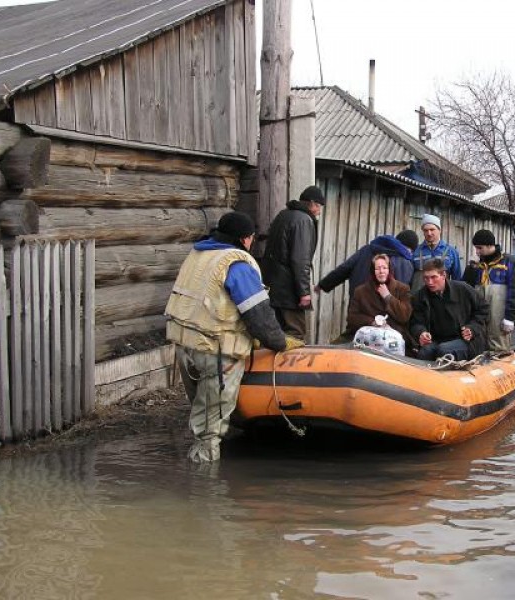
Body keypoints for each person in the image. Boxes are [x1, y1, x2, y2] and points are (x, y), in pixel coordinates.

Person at [165, 211, 302, 463]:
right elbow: (258, 314)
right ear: (245, 239)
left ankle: (204, 461)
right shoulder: (236, 264)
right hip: (216, 350)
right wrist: (280, 342)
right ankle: (205, 488)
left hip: (185, 346)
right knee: (211, 425)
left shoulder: (198, 255)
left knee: (203, 412)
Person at [261, 185, 325, 340]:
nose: (320, 212)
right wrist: (303, 292)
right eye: (320, 207)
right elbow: (300, 259)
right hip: (288, 290)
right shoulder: (303, 220)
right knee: (295, 334)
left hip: (273, 285)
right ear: (312, 203)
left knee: (276, 333)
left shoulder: (283, 215)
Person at [410, 258, 489, 361]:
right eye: (426, 278)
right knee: (425, 352)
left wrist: (472, 328)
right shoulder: (420, 296)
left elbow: (484, 308)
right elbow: (415, 322)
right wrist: (421, 333)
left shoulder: (463, 289)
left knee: (444, 350)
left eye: (434, 277)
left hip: (465, 339)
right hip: (437, 339)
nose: (429, 282)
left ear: (443, 275)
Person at [463, 229, 515, 352]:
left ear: (490, 245)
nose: (477, 251)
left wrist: (510, 318)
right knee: (478, 341)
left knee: (498, 343)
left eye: (479, 248)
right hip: (480, 313)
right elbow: (465, 288)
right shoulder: (477, 264)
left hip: (499, 313)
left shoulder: (509, 262)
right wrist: (470, 268)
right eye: (476, 248)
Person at [315, 230, 418, 298]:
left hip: (357, 308)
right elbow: (403, 294)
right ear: (410, 249)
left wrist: (323, 284)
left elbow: (344, 269)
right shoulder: (405, 262)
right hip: (385, 318)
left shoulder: (367, 250)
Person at [346, 254, 413, 348]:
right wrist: (372, 321)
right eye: (377, 268)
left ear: (389, 270)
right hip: (368, 339)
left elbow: (405, 316)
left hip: (394, 340)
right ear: (373, 271)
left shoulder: (402, 289)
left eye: (384, 268)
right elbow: (352, 317)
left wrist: (388, 297)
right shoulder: (361, 291)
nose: (381, 271)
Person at [411, 214, 462, 290]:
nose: (429, 233)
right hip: (420, 298)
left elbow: (457, 278)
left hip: (443, 297)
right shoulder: (415, 251)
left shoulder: (451, 251)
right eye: (425, 230)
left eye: (432, 229)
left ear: (439, 230)